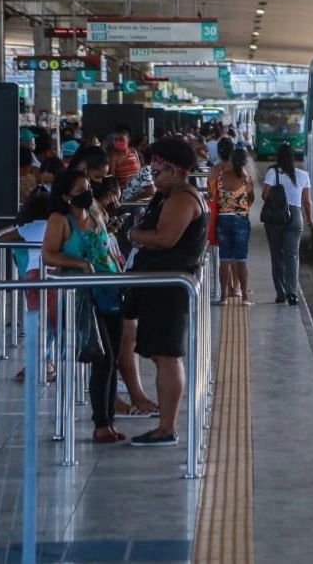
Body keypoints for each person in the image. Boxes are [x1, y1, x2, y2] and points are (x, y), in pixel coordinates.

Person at [126, 138, 208, 447]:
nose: (153, 178)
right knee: (160, 354)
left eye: (157, 172)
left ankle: (166, 428)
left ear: (174, 170)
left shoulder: (182, 200)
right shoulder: (170, 194)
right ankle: (164, 424)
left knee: (166, 356)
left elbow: (165, 239)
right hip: (158, 283)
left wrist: (133, 234)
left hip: (167, 287)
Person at [41, 168, 125, 444]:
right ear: (66, 196)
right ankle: (101, 423)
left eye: (88, 187)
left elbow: (107, 245)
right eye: (80, 190)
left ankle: (109, 419)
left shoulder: (97, 212)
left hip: (110, 290)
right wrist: (79, 264)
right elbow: (48, 255)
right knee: (104, 357)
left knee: (115, 358)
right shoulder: (60, 220)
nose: (88, 193)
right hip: (82, 295)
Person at [1, 193, 56, 383]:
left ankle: (40, 361)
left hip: (33, 276)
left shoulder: (28, 228)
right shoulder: (57, 226)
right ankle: (45, 361)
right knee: (53, 322)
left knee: (38, 320)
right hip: (55, 275)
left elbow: (2, 239)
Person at [263, 144, 313, 305]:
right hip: (296, 216)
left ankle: (281, 293)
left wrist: (277, 196)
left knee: (277, 255)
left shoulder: (273, 172)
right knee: (292, 256)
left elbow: (265, 195)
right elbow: (307, 201)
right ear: (293, 157)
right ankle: (293, 293)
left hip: (276, 217)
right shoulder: (303, 175)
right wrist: (310, 220)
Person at [213, 147, 255, 305]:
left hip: (222, 219)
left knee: (224, 259)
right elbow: (251, 198)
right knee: (241, 260)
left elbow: (215, 196)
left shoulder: (221, 178)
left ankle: (223, 297)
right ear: (244, 162)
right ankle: (244, 296)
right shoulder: (246, 179)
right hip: (241, 220)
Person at [109, 124, 142, 188]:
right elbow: (112, 178)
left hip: (138, 188)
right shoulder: (114, 156)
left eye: (121, 139)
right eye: (116, 139)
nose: (118, 142)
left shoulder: (133, 151)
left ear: (128, 139)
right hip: (124, 191)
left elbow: (139, 170)